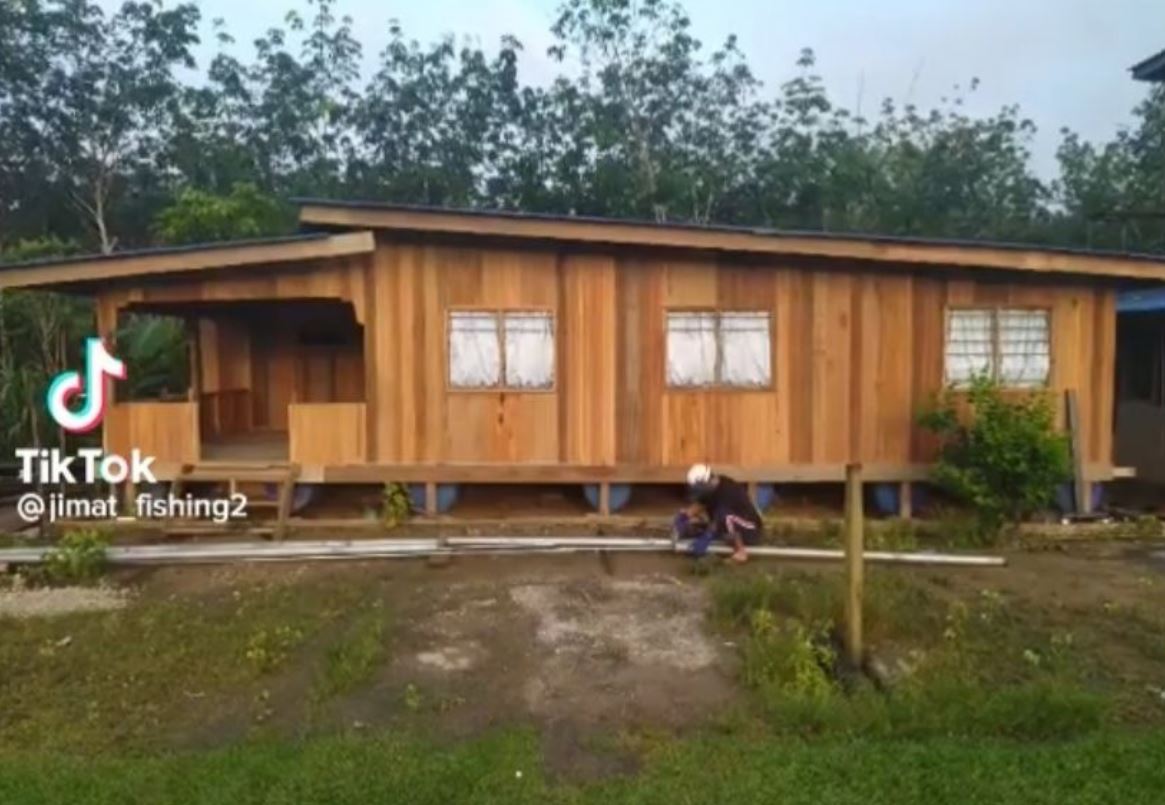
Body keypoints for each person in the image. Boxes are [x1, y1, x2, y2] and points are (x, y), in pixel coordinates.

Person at [674, 463, 763, 563]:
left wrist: (707, 537)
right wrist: (684, 516)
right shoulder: (710, 488)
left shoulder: (727, 490)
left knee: (725, 517)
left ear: (706, 481)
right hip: (729, 522)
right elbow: (700, 504)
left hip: (750, 529)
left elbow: (720, 518)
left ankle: (740, 552)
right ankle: (719, 537)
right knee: (697, 526)